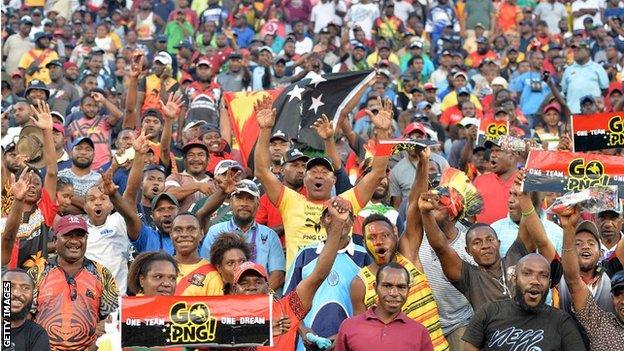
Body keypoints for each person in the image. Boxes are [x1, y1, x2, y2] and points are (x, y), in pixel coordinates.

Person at [254, 95, 391, 268]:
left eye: (324, 171)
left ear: (334, 180)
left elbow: (378, 173)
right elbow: (262, 171)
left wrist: (384, 134)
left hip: (338, 286)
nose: (319, 175)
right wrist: (265, 129)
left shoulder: (346, 202)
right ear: (304, 179)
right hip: (299, 287)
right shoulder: (289, 200)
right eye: (313, 171)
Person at [351, 147, 449, 351]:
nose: (379, 242)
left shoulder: (408, 254)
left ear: (396, 235)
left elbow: (414, 203)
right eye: (372, 237)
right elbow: (360, 333)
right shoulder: (360, 283)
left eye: (385, 236)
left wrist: (423, 162)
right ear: (364, 243)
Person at [230, 196, 351, 350]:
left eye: (258, 282)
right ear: (234, 289)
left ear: (268, 287)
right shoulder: (226, 316)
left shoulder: (286, 309)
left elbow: (318, 276)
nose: (251, 287)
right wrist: (262, 331)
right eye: (244, 283)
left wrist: (337, 225)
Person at [28, 215, 119, 351]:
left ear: (86, 239)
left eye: (80, 236)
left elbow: (113, 317)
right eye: (68, 236)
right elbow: (24, 318)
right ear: (55, 239)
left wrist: (106, 325)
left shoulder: (102, 273)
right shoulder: (37, 272)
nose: (74, 241)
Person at [462, 253, 586, 350]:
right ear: (514, 279)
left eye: (543, 275)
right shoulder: (489, 311)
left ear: (549, 284)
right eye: (527, 273)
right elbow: (469, 347)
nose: (535, 281)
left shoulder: (561, 321)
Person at [1, 101, 57, 269]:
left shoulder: (44, 212)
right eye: (26, 181)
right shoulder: (4, 208)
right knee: (6, 297)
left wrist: (47, 131)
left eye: (36, 183)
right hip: (6, 280)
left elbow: (52, 172)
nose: (31, 186)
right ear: (15, 186)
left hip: (37, 284)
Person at [201, 179, 286, 291]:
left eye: (250, 199)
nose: (244, 203)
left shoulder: (270, 235)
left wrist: (254, 297)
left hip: (261, 301)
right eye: (239, 198)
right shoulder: (215, 232)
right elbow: (207, 270)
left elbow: (278, 276)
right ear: (231, 202)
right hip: (224, 299)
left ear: (258, 204)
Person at [559, 207, 624, 349]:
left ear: (600, 254)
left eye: (591, 243)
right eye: (578, 243)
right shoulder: (601, 325)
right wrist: (568, 229)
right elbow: (573, 280)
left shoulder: (609, 272)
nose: (585, 247)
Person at [334, 262, 434, 351]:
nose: (394, 293)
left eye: (401, 287)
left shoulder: (419, 332)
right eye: (387, 286)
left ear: (408, 290)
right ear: (375, 288)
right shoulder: (350, 326)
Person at [170, 212, 224, 296]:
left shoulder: (212, 274)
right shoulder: (159, 268)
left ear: (201, 234)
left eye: (191, 229)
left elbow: (216, 308)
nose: (184, 234)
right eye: (178, 230)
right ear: (171, 235)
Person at [2, 269, 50, 351]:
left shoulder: (37, 334)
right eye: (9, 286)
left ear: (33, 295)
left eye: (25, 288)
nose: (17, 293)